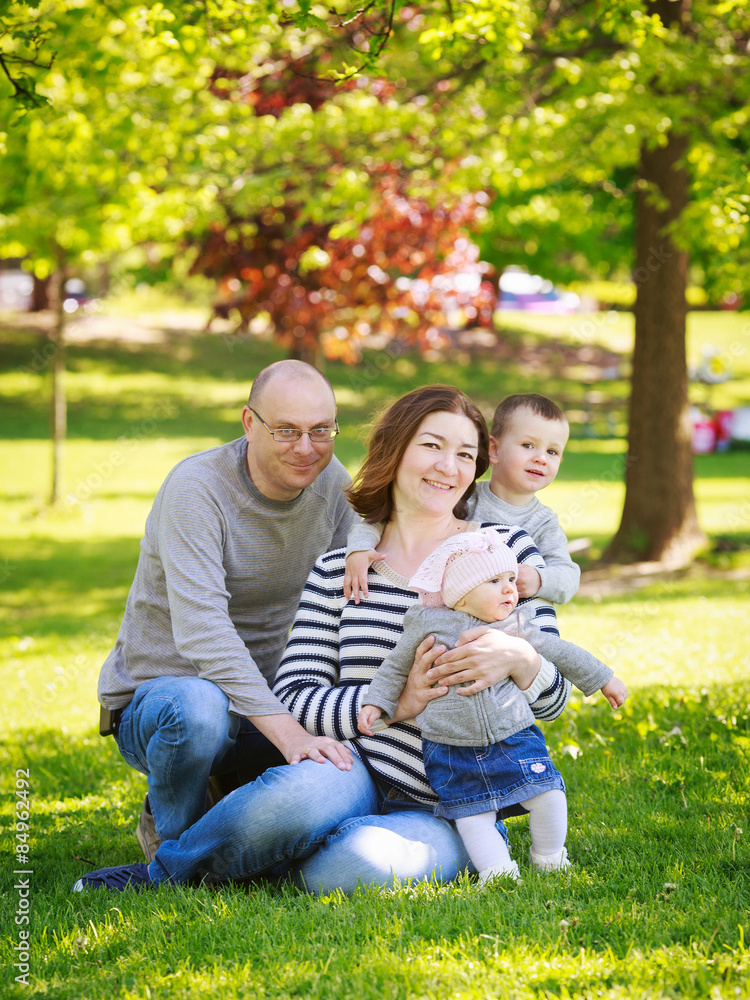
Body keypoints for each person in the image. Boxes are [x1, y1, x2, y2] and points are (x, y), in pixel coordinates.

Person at [73, 385, 571, 895]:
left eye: (465, 454)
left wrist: (519, 656)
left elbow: (554, 698)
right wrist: (395, 703)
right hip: (353, 766)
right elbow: (295, 695)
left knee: (355, 865)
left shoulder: (503, 549)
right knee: (292, 803)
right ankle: (169, 874)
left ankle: (301, 851)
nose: (449, 466)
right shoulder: (339, 570)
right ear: (394, 450)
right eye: (432, 446)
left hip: (456, 801)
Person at [96, 360, 359, 863]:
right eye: (286, 430)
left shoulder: (331, 487)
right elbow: (202, 632)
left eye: (320, 431)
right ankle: (173, 844)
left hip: (268, 702)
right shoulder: (198, 488)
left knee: (350, 716)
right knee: (199, 710)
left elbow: (356, 589)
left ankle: (233, 799)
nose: (306, 448)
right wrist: (291, 734)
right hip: (163, 700)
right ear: (248, 423)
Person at [358, 527, 627, 882]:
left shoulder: (515, 625)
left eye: (511, 579)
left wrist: (602, 679)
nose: (509, 589)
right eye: (494, 580)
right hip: (449, 747)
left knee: (548, 794)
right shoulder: (427, 624)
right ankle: (496, 871)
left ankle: (549, 856)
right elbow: (395, 665)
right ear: (462, 593)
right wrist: (378, 702)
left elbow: (561, 651)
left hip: (513, 733)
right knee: (471, 816)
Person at [345, 392, 578, 614]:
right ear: (494, 449)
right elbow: (389, 522)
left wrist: (539, 579)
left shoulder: (542, 522)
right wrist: (360, 547)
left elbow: (568, 574)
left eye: (553, 451)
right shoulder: (464, 496)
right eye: (528, 445)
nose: (541, 458)